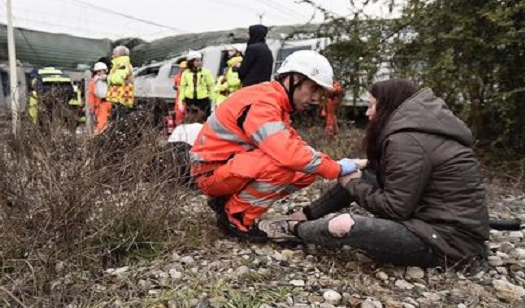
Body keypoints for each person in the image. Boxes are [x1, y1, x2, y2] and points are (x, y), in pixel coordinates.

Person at [285, 79, 490, 267]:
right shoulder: (417, 132)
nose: (368, 113)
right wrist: (361, 173)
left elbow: (394, 209)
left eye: (372, 105)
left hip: (447, 244)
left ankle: (293, 229)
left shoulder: (408, 141)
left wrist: (352, 184)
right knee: (361, 176)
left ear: (388, 105)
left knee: (343, 224)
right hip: (435, 224)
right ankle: (305, 215)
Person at [190, 50, 361, 242]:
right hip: (211, 174)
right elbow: (287, 153)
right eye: (313, 89)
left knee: (307, 171)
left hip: (223, 168)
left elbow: (296, 145)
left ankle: (232, 202)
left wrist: (329, 163)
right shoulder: (263, 103)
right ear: (295, 79)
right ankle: (236, 217)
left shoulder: (273, 101)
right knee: (283, 165)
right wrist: (336, 169)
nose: (315, 98)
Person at [178, 50, 215, 115]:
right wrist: (180, 102)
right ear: (191, 62)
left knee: (203, 117)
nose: (200, 62)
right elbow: (182, 88)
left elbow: (211, 86)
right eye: (197, 61)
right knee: (191, 117)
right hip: (190, 100)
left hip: (203, 100)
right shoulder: (185, 73)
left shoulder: (206, 72)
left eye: (200, 60)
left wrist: (213, 102)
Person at [106, 45, 135, 122]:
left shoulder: (123, 65)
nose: (112, 56)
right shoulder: (118, 65)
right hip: (118, 99)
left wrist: (106, 78)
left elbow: (117, 79)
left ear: (120, 55)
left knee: (118, 123)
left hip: (121, 99)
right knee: (116, 122)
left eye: (114, 54)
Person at [88, 62, 112, 135]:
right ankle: (97, 138)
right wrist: (92, 107)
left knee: (110, 123)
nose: (100, 73)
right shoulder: (94, 82)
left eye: (102, 71)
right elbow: (91, 95)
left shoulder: (110, 79)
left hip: (110, 103)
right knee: (102, 123)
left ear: (106, 70)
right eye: (98, 71)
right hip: (101, 105)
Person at [173, 59, 188, 124]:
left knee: (187, 113)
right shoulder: (177, 76)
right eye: (181, 68)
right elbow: (174, 85)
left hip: (187, 98)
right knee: (178, 113)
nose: (183, 69)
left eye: (184, 68)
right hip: (179, 99)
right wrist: (175, 87)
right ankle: (178, 126)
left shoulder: (190, 76)